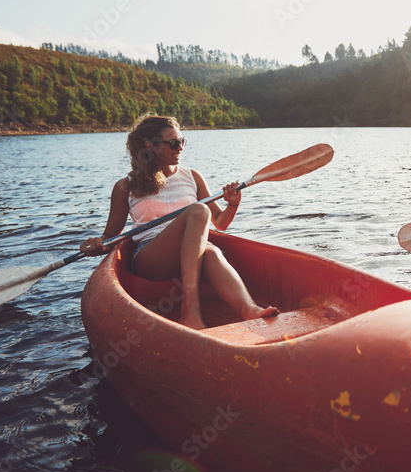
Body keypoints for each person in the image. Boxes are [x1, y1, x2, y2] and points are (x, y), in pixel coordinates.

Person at [80, 113, 278, 330]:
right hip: (151, 257)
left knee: (211, 251)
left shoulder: (192, 176)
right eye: (173, 143)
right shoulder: (125, 186)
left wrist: (232, 204)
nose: (180, 147)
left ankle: (249, 309)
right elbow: (111, 236)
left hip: (194, 253)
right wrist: (97, 244)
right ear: (151, 146)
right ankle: (190, 309)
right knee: (198, 212)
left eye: (182, 141)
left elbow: (220, 223)